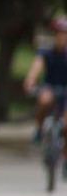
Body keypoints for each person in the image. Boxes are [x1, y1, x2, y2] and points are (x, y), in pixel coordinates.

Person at [23, 17, 67, 151]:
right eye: (58, 33)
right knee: (44, 100)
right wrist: (30, 80)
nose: (61, 37)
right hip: (50, 86)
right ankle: (39, 128)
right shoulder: (46, 51)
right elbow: (36, 67)